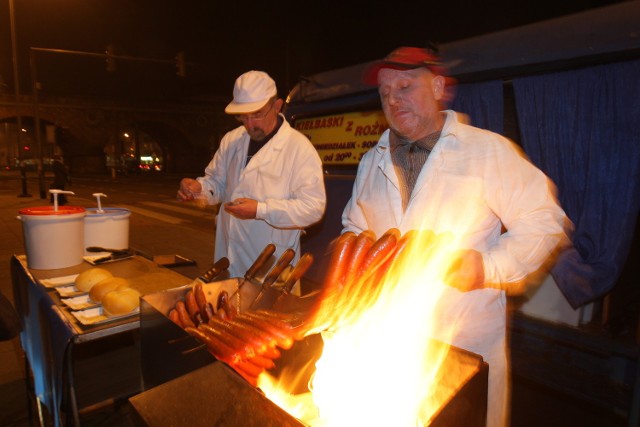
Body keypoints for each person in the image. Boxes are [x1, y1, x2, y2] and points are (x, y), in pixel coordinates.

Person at [342, 47, 569, 427]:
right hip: (388, 337)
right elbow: (354, 225)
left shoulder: (486, 151)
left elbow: (545, 221)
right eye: (385, 93)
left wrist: (488, 265)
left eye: (405, 86)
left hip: (462, 339)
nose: (393, 99)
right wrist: (354, 254)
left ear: (438, 86)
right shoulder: (372, 159)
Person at [177, 70, 326, 279]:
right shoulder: (232, 140)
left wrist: (260, 210)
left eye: (256, 114)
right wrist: (199, 188)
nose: (249, 124)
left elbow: (313, 208)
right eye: (243, 117)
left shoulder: (298, 148)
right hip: (228, 257)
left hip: (271, 266)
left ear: (277, 106)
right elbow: (217, 183)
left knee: (269, 309)